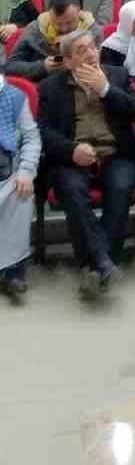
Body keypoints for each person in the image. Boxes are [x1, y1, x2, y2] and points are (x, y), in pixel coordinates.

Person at [38, 30, 135, 297]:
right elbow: (44, 132)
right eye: (82, 50)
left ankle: (95, 266)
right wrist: (72, 149)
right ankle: (104, 262)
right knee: (72, 191)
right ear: (69, 61)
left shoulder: (117, 75)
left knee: (120, 189)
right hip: (73, 158)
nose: (92, 53)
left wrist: (106, 89)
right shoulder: (51, 87)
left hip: (116, 153)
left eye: (93, 47)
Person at [0, 77, 41, 301]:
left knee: (22, 192)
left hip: (9, 170)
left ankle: (14, 272)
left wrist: (26, 170)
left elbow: (32, 138)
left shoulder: (16, 97)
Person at [10, 0, 97, 82]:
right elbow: (11, 66)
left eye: (69, 23)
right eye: (58, 23)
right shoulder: (35, 29)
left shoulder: (92, 30)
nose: (64, 29)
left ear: (79, 11)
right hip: (43, 84)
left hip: (84, 83)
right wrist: (42, 67)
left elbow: (104, 67)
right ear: (49, 14)